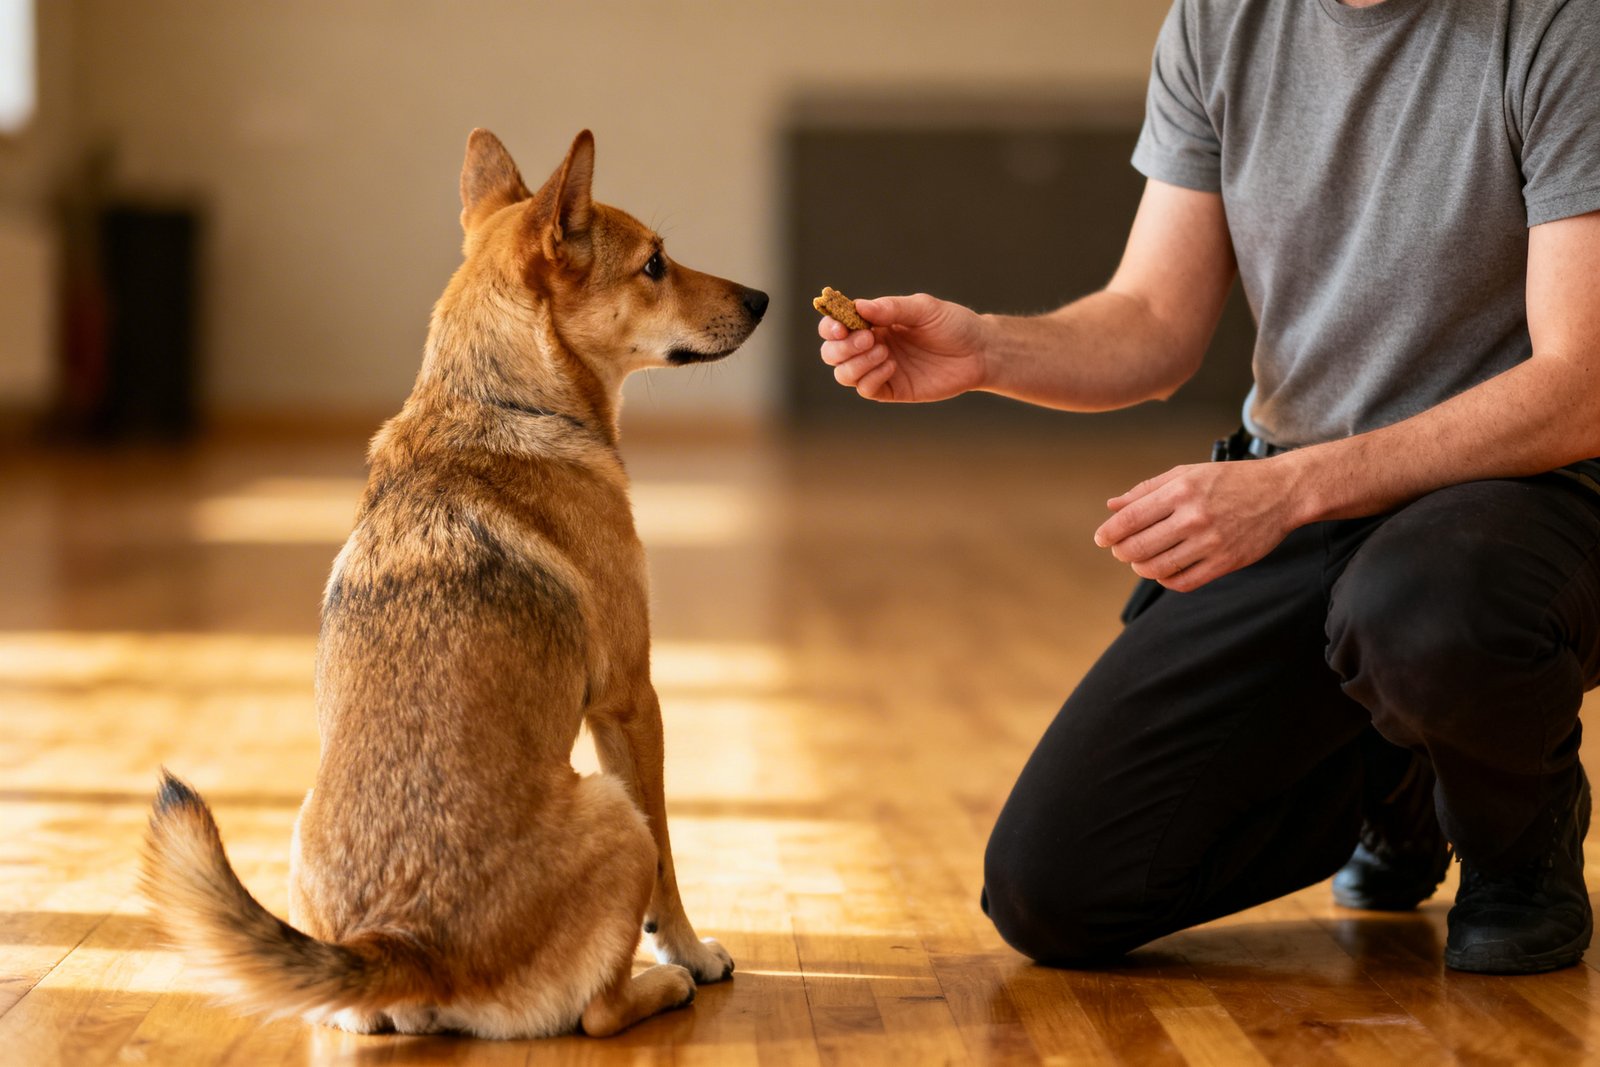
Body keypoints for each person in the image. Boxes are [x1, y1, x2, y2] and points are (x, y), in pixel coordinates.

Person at [816, 0, 1600, 975]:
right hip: (1306, 495)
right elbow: (1151, 320)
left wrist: (1288, 492)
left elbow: (1581, 386)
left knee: (1422, 606)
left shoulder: (1560, 22)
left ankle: (1519, 851)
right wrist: (985, 348)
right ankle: (1396, 765)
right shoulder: (1218, 19)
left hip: (1520, 496)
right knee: (1051, 890)